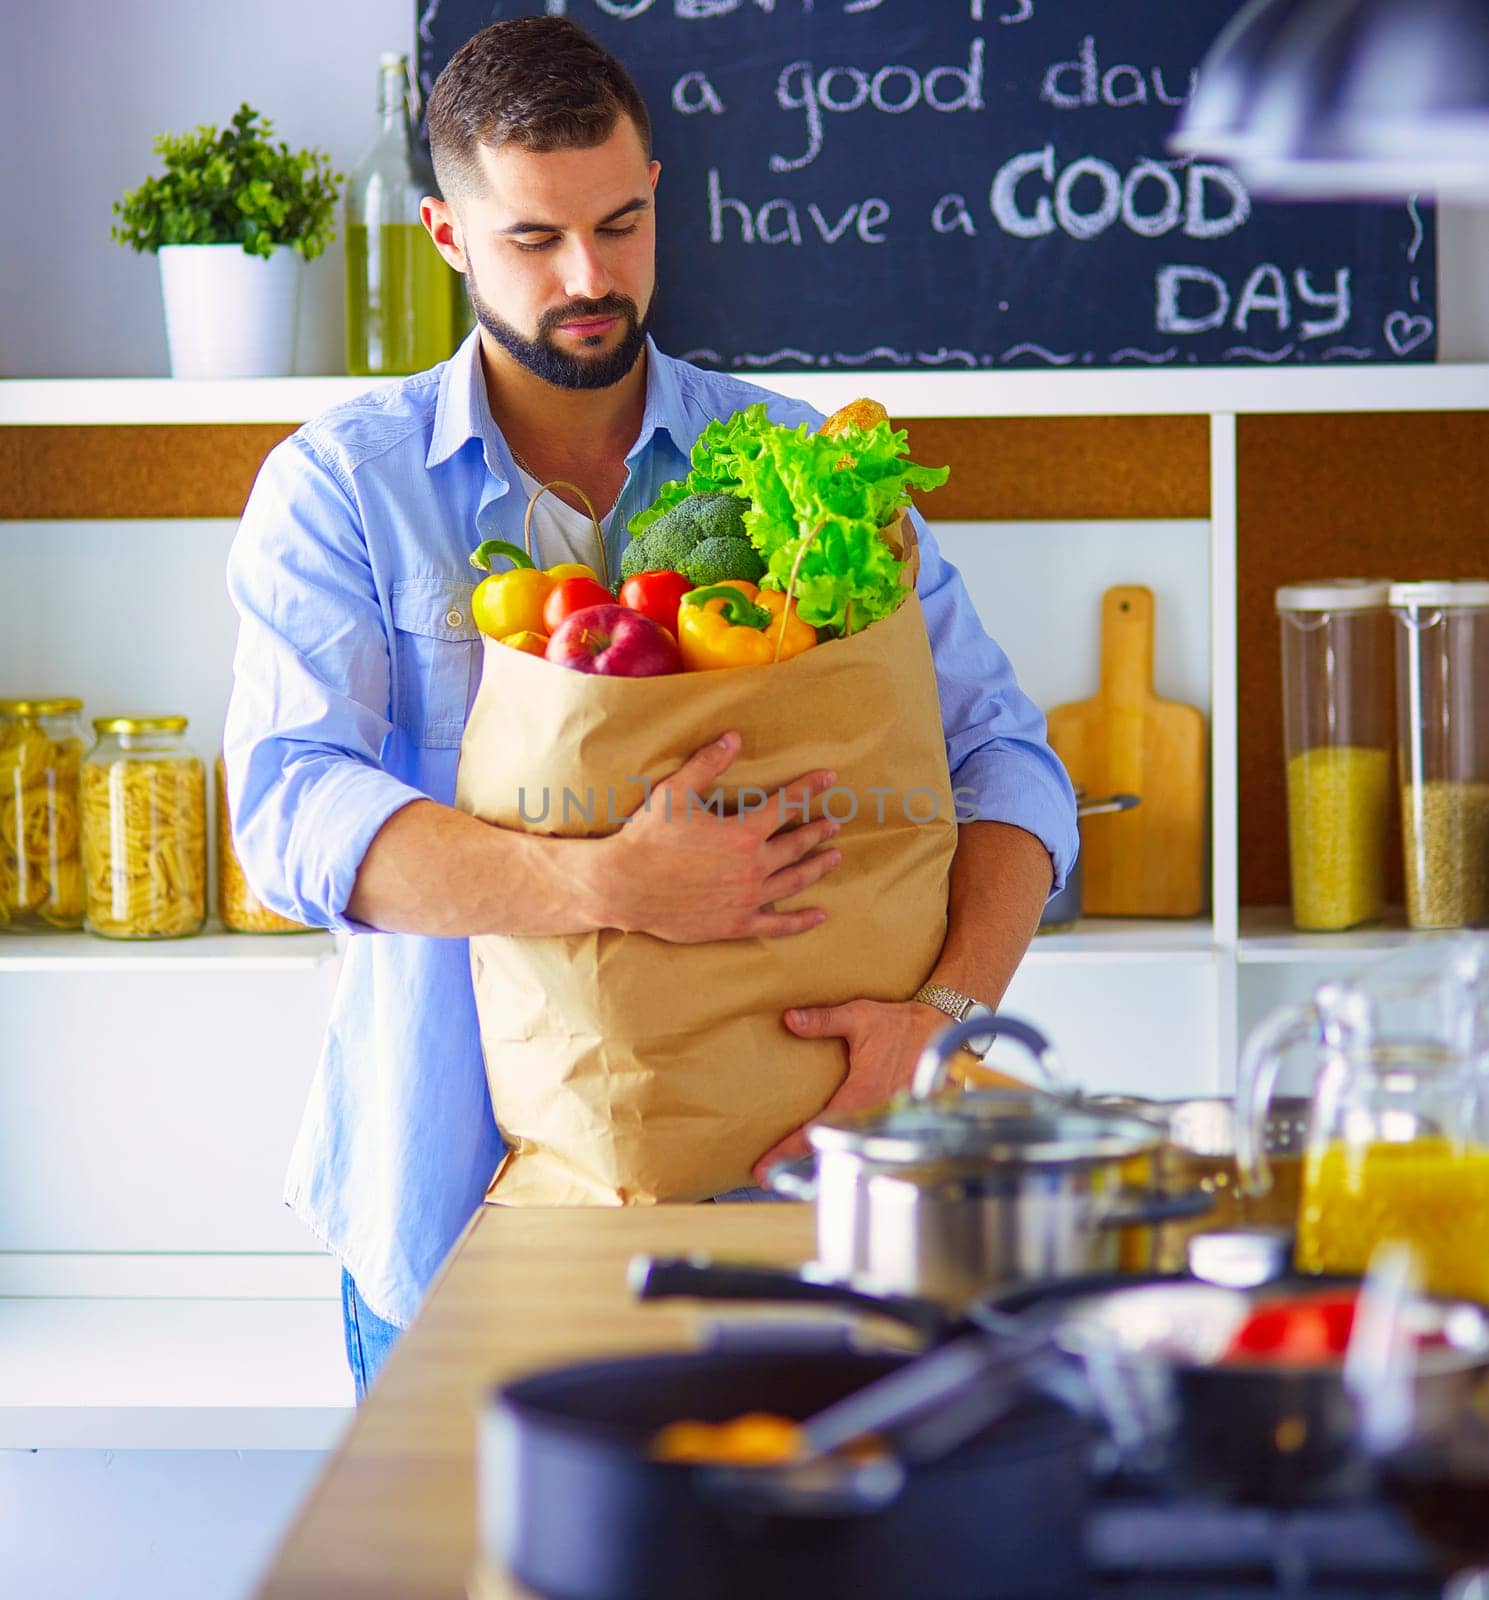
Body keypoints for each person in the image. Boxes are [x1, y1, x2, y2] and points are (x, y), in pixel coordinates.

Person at [224, 15, 1077, 1403]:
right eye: (533, 240)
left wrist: (944, 1013)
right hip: (449, 1214)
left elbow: (1006, 762)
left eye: (620, 225)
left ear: (658, 194)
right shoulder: (342, 489)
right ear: (446, 236)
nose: (588, 277)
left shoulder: (803, 467)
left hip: (796, 1209)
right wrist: (609, 886)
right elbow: (289, 812)